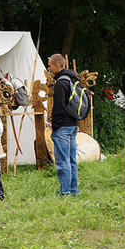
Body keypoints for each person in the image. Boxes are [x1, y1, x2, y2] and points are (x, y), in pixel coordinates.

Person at [47, 54, 80, 196]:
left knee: (62, 161)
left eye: (49, 65)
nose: (48, 68)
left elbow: (59, 107)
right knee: (72, 160)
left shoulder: (61, 83)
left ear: (57, 65)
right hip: (73, 124)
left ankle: (65, 191)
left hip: (63, 128)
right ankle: (73, 190)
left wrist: (55, 126)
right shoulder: (73, 79)